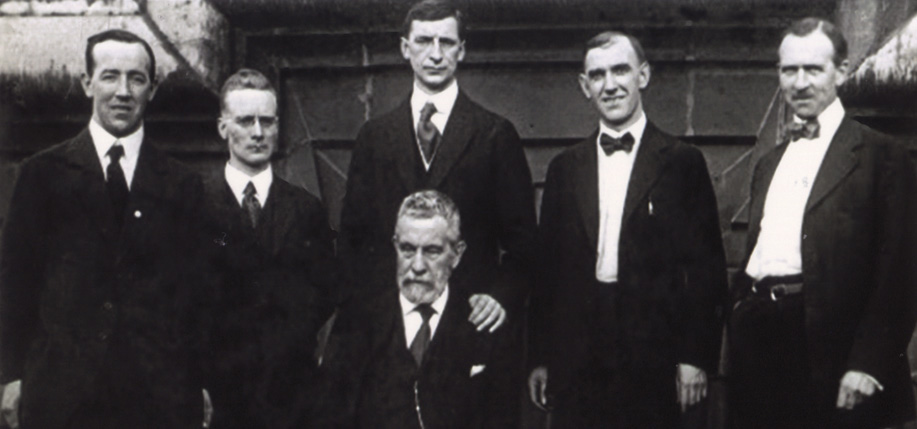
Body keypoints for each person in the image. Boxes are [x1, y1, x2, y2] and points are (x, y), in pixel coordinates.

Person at [0, 29, 210, 429]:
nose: (123, 91)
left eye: (137, 78)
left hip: (157, 396)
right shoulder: (42, 174)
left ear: (153, 88)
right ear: (87, 83)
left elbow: (197, 293)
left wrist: (198, 381)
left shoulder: (182, 184)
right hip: (61, 395)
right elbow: (15, 283)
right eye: (110, 76)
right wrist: (10, 376)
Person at [528, 31, 728, 428]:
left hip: (653, 349)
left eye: (621, 70)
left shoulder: (682, 162)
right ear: (585, 87)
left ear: (644, 75)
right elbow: (547, 272)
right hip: (578, 350)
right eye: (598, 75)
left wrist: (694, 357)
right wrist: (540, 358)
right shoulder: (565, 168)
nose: (611, 84)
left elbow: (707, 269)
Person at [728, 17, 917, 428]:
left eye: (813, 69)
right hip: (759, 346)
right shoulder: (768, 164)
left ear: (842, 71)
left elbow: (900, 272)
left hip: (830, 352)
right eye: (788, 70)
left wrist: (868, 364)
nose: (799, 82)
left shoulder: (881, 156)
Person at [338, 0, 537, 335]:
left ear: (461, 50)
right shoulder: (374, 137)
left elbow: (524, 245)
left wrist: (500, 297)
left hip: (468, 325)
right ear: (405, 48)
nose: (434, 54)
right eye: (423, 41)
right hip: (388, 327)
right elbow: (353, 242)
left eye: (446, 43)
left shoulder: (495, 134)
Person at [201, 68, 337, 428]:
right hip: (217, 398)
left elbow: (324, 293)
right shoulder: (192, 206)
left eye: (268, 121)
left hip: (291, 399)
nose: (258, 133)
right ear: (223, 128)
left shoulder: (306, 210)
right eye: (246, 121)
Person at [316, 190, 515, 428]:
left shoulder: (483, 324)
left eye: (432, 251)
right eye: (408, 250)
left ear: (457, 254)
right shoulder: (356, 320)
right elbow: (329, 418)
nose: (417, 266)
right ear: (395, 246)